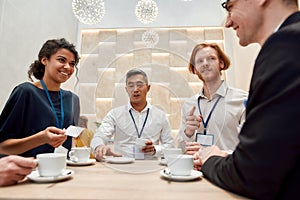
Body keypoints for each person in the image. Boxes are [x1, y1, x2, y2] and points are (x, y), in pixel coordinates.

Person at [194, 0, 300, 199]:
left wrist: (210, 159)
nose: (227, 22)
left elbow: (254, 174)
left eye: (230, 6)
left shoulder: (286, 43)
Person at [0, 38, 80, 157]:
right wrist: (41, 138)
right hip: (28, 173)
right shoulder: (26, 92)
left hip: (63, 172)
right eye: (61, 60)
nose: (68, 67)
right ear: (44, 60)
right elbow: (2, 146)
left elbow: (71, 139)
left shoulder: (72, 99)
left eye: (72, 63)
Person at [178, 43, 247, 155]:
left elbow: (251, 148)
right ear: (195, 69)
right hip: (195, 171)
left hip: (227, 170)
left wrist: (218, 154)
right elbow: (181, 149)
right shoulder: (189, 105)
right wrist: (189, 133)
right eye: (200, 61)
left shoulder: (242, 100)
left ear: (221, 63)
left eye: (211, 58)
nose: (205, 64)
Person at [90, 68, 174, 161]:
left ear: (148, 88)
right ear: (126, 89)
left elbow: (170, 146)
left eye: (139, 85)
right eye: (131, 85)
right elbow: (99, 136)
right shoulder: (115, 114)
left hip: (150, 167)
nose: (135, 89)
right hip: (122, 166)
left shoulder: (160, 115)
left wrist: (155, 150)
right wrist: (99, 146)